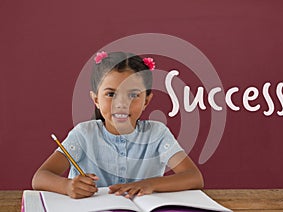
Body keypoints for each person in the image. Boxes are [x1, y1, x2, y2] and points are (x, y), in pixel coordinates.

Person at [32, 51, 204, 199]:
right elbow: (40, 178)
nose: (121, 103)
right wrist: (67, 186)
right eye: (111, 94)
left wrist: (150, 184)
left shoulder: (157, 134)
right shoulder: (83, 134)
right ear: (96, 100)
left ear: (146, 101)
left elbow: (194, 177)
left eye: (133, 95)